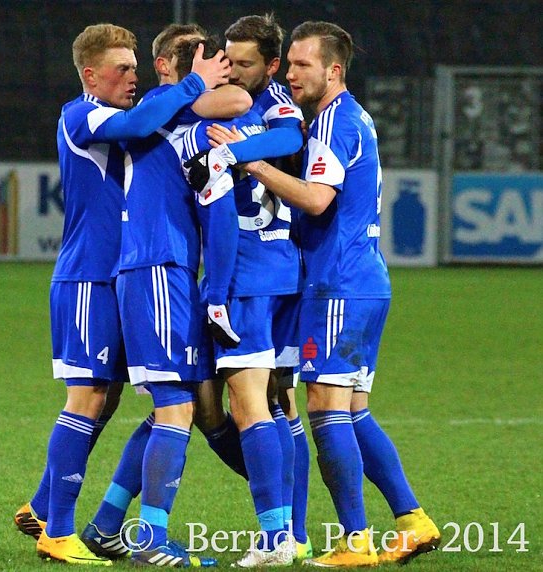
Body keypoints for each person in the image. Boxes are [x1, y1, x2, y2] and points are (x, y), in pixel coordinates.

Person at [185, 21, 440, 567]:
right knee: (354, 413)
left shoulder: (330, 124)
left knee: (323, 410)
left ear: (334, 70)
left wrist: (246, 160)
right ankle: (412, 520)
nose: (296, 74)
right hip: (364, 281)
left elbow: (318, 200)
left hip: (338, 286)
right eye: (293, 63)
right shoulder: (353, 118)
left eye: (304, 65)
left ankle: (355, 540)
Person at [16, 23, 232, 567]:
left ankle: (43, 506)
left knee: (108, 400)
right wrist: (190, 87)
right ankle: (58, 531)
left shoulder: (134, 120)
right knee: (87, 399)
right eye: (121, 67)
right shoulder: (81, 114)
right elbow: (141, 120)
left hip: (121, 276)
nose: (131, 76)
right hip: (88, 275)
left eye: (136, 66)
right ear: (90, 75)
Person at [180, 14, 309, 566]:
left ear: (272, 65)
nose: (232, 69)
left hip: (251, 275)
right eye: (227, 59)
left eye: (246, 63)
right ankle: (292, 531)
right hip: (280, 273)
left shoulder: (261, 105)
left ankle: (277, 534)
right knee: (280, 404)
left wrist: (237, 148)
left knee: (245, 400)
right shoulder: (242, 101)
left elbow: (288, 135)